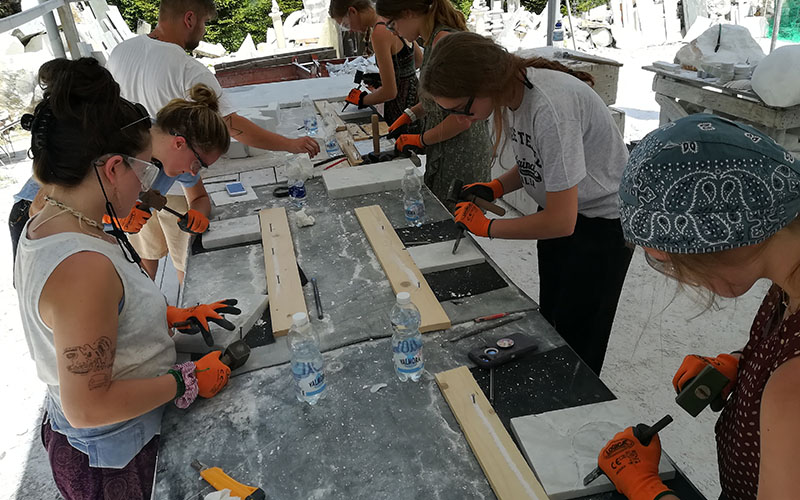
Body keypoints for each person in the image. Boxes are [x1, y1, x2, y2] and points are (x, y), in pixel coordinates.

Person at [16, 57, 240, 500]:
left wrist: (164, 315)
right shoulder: (82, 266)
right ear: (113, 168)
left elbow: (89, 318)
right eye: (143, 171)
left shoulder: (50, 213)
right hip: (111, 456)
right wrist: (185, 379)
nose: (146, 186)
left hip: (113, 436)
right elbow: (88, 405)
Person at [598, 114, 800, 500]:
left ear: (724, 238)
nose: (679, 276)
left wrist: (647, 491)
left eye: (671, 261)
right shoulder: (789, 270)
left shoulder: (792, 388)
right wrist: (746, 363)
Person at [419, 32, 632, 374]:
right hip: (566, 215)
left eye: (460, 108)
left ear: (483, 83)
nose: (461, 117)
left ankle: (575, 402)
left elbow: (562, 223)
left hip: (601, 228)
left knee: (580, 336)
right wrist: (495, 187)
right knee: (552, 318)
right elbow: (540, 159)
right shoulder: (514, 94)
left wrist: (488, 227)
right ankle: (553, 386)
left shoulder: (549, 107)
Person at [108, 83, 229, 283]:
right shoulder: (119, 141)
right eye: (197, 164)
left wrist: (198, 212)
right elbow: (40, 206)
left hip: (107, 249)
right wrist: (107, 217)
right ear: (179, 143)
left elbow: (199, 197)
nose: (193, 171)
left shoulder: (171, 159)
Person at [375, 0, 492, 201]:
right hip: (445, 145)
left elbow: (461, 118)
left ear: (409, 12)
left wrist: (420, 139)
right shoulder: (432, 40)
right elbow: (440, 99)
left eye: (392, 24)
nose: (393, 32)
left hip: (461, 151)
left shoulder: (444, 43)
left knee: (452, 219)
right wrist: (410, 114)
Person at [329, 0, 422, 126]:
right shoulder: (390, 18)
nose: (350, 30)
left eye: (346, 24)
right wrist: (388, 77)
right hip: (416, 104)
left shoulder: (379, 32)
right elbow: (418, 60)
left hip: (401, 112)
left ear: (353, 11)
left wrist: (362, 99)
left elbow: (390, 92)